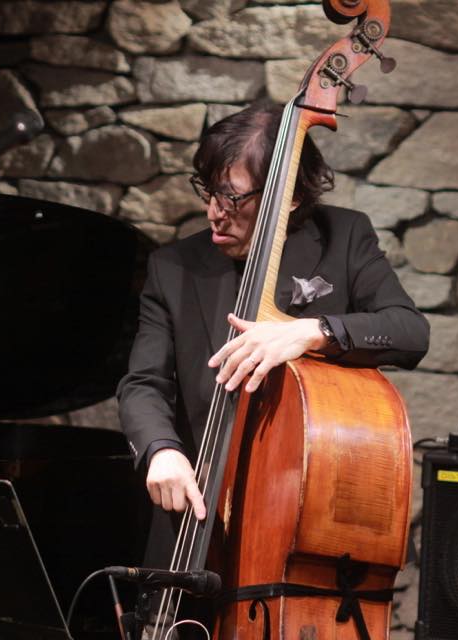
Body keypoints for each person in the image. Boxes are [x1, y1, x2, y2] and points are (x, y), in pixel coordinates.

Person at [116, 101, 430, 567]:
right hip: (198, 520)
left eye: (232, 198)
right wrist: (161, 450)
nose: (213, 212)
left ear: (291, 196)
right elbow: (143, 383)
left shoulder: (344, 237)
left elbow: (409, 331)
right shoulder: (172, 267)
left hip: (301, 525)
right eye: (208, 191)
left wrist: (314, 331)